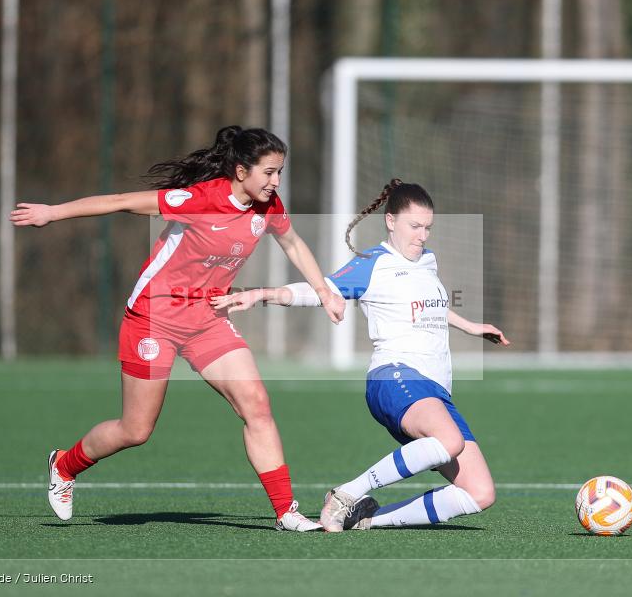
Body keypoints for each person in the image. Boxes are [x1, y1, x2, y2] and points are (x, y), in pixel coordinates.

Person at [11, 125, 345, 531]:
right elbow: (120, 202)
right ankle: (65, 465)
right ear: (241, 171)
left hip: (208, 318)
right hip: (155, 317)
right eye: (269, 173)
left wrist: (324, 292)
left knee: (256, 402)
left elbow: (292, 243)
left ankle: (286, 511)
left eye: (280, 173)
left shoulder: (267, 206)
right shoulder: (198, 199)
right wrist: (52, 212)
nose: (276, 182)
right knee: (136, 430)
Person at [211, 179, 509, 531]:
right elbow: (319, 290)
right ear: (391, 221)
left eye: (428, 227)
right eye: (415, 226)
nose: (422, 235)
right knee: (450, 441)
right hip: (395, 377)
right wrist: (261, 293)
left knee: (478, 493)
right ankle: (347, 493)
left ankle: (367, 517)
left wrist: (471, 326)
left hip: (434, 392)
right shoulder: (373, 263)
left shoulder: (428, 260)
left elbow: (428, 307)